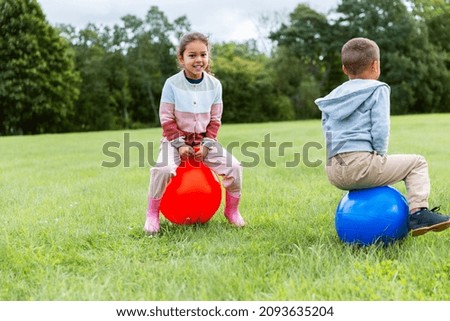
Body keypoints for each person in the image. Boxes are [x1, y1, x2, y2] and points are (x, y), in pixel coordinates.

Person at [314, 37, 450, 237]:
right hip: (360, 166)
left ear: (344, 69)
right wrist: (380, 155)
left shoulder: (332, 97)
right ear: (375, 65)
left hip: (334, 169)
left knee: (378, 168)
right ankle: (419, 213)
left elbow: (328, 131)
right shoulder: (377, 89)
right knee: (417, 163)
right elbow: (380, 127)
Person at [144, 32, 245, 234]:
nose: (198, 60)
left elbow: (215, 119)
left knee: (235, 167)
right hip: (174, 142)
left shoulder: (215, 85)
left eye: (203, 54)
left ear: (208, 57)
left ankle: (232, 211)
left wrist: (207, 146)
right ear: (181, 59)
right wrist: (180, 145)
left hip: (205, 142)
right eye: (192, 55)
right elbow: (166, 118)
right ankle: (152, 214)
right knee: (162, 170)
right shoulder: (171, 84)